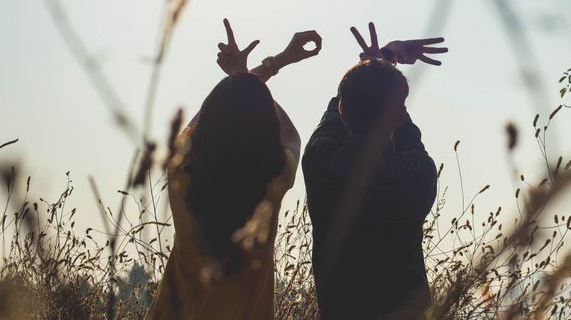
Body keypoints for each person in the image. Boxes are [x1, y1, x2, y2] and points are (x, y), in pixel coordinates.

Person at [146, 19, 322, 320]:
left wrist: (248, 75)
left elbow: (200, 124)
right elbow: (291, 137)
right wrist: (256, 72)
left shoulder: (181, 169)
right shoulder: (275, 175)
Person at [303, 23, 447, 319]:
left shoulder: (321, 163)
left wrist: (374, 65)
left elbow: (333, 119)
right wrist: (383, 63)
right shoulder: (417, 173)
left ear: (343, 109)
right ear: (400, 112)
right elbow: (406, 134)